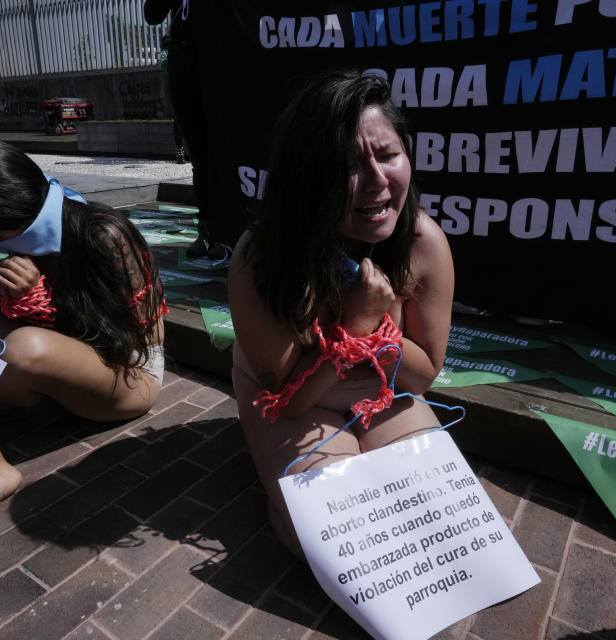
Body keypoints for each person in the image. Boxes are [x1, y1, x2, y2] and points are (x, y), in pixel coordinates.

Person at [228, 71, 455, 556]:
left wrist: (376, 326)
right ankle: (280, 497)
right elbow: (288, 398)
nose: (377, 180)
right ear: (306, 176)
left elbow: (421, 378)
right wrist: (354, 327)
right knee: (336, 535)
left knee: (438, 514)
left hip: (381, 393)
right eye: (349, 165)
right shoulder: (261, 255)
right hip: (300, 401)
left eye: (389, 155)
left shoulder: (424, 243)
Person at [0, 138, 167, 548]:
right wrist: (18, 299)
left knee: (24, 348)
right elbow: (10, 312)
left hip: (127, 375)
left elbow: (141, 338)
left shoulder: (105, 235)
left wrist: (41, 303)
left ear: (11, 209)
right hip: (54, 358)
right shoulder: (24, 238)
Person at [143, 0, 226, 258]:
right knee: (198, 154)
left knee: (226, 149)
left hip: (218, 58)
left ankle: (232, 229)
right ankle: (207, 230)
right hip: (183, 59)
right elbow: (152, 14)